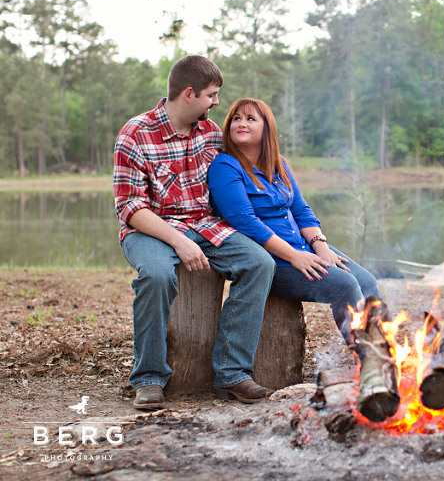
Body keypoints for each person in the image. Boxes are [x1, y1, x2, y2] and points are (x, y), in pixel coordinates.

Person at [113, 56, 276, 410]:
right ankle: (150, 378)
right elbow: (130, 208)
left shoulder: (211, 133)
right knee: (156, 274)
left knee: (260, 263)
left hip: (205, 224)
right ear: (189, 94)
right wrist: (178, 241)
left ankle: (232, 373)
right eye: (212, 95)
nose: (217, 102)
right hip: (152, 229)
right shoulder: (135, 134)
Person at [207, 98, 383, 344]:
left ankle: (385, 349)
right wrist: (293, 256)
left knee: (366, 281)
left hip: (304, 247)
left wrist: (321, 248)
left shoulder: (278, 163)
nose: (240, 124)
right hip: (273, 261)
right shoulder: (225, 166)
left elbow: (301, 210)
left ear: (267, 128)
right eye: (236, 118)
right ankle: (368, 356)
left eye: (250, 119)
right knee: (344, 285)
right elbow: (244, 221)